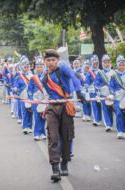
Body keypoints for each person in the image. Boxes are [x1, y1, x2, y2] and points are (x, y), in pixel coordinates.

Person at [41, 49, 83, 182]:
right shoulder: (44, 76)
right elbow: (46, 90)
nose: (51, 62)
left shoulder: (63, 68)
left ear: (57, 60)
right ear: (45, 62)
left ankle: (64, 162)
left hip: (66, 106)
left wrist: (79, 92)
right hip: (52, 108)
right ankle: (55, 169)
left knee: (66, 136)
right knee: (53, 137)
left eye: (53, 60)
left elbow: (74, 77)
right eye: (48, 60)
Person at [109, 55, 125, 139]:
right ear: (117, 65)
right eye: (120, 65)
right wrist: (112, 94)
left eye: (123, 65)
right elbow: (111, 86)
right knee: (119, 114)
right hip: (117, 98)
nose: (121, 67)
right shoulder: (114, 75)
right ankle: (120, 131)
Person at [28, 57, 46, 141]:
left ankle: (42, 133)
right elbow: (29, 89)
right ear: (35, 68)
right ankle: (36, 133)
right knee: (36, 117)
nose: (39, 68)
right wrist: (31, 99)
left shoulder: (46, 76)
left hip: (44, 99)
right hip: (35, 100)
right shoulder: (33, 77)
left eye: (41, 66)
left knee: (43, 116)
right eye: (38, 66)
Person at [95, 54, 115, 132]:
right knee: (105, 109)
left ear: (110, 63)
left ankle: (110, 123)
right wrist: (98, 91)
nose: (106, 64)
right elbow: (96, 83)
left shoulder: (114, 72)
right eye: (105, 62)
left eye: (108, 62)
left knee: (111, 109)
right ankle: (108, 125)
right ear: (102, 63)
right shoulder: (100, 73)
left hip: (112, 94)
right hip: (103, 93)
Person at [14, 56, 33, 134]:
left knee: (30, 112)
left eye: (27, 67)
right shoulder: (19, 76)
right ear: (22, 67)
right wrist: (15, 88)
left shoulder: (32, 75)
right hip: (22, 96)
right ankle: (25, 127)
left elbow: (34, 85)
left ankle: (30, 126)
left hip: (30, 96)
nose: (26, 68)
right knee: (24, 112)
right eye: (24, 67)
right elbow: (16, 84)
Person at [86, 55, 102, 126]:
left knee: (99, 105)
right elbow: (87, 82)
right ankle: (95, 120)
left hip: (100, 91)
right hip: (92, 91)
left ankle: (99, 118)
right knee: (94, 105)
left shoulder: (100, 72)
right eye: (94, 64)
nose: (95, 65)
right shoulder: (89, 72)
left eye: (96, 63)